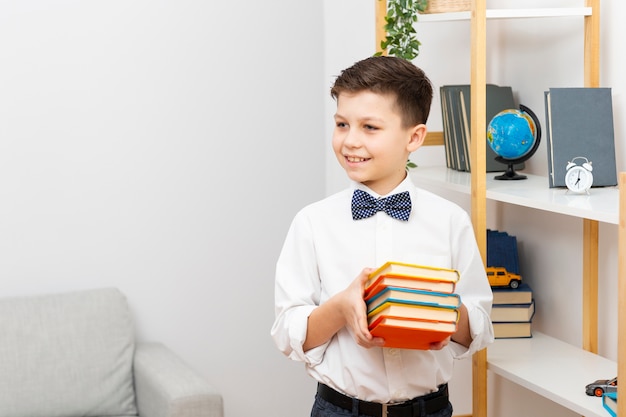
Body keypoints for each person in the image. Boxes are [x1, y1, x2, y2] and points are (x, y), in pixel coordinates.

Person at [271, 55, 494, 417]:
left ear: (414, 137)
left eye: (369, 127)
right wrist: (341, 308)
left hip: (430, 410)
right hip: (340, 409)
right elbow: (288, 333)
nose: (350, 141)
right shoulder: (312, 222)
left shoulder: (451, 221)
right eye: (342, 124)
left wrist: (438, 312)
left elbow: (479, 330)